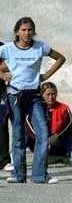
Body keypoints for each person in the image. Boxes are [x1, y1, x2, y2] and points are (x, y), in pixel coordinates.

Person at [0, 17, 65, 183]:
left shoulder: (40, 47)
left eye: (30, 30)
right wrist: (1, 75)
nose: (27, 33)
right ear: (17, 32)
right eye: (23, 30)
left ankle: (39, 175)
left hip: (35, 95)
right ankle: (18, 175)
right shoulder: (7, 48)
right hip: (15, 95)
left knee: (43, 132)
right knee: (18, 135)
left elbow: (60, 58)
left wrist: (47, 75)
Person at [25, 82, 72, 167]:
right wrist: (41, 138)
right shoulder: (36, 108)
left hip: (58, 143)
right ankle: (14, 158)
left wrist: (56, 136)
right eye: (48, 94)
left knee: (69, 132)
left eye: (53, 94)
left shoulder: (63, 107)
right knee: (24, 132)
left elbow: (70, 123)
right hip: (40, 143)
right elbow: (27, 123)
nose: (51, 97)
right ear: (42, 95)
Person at [0, 41, 13, 172]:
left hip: (0, 90)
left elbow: (10, 65)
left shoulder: (2, 47)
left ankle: (4, 161)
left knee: (2, 124)